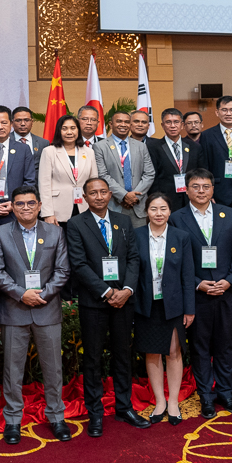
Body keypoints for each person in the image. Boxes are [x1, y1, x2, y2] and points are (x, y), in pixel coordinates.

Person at [67, 177, 148, 432]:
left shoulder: (123, 221)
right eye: (93, 193)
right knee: (93, 358)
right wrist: (106, 292)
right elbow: (79, 264)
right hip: (94, 302)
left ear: (110, 194)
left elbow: (134, 258)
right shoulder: (76, 224)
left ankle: (124, 407)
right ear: (85, 197)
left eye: (103, 192)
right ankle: (95, 412)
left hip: (123, 300)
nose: (99, 196)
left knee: (123, 355)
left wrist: (126, 290)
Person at [0, 185, 70, 443]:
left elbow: (62, 270)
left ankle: (56, 416)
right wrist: (21, 294)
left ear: (39, 205)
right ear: (12, 207)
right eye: (20, 203)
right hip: (15, 309)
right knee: (12, 370)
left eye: (30, 203)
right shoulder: (0, 233)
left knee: (53, 369)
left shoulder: (55, 232)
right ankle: (13, 420)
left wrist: (43, 294)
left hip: (47, 309)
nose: (25, 208)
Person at [177, 170, 232, 415]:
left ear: (213, 189)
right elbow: (177, 260)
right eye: (195, 186)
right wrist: (198, 283)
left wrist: (229, 281)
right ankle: (206, 396)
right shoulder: (176, 218)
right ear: (187, 189)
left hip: (227, 292)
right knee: (200, 347)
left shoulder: (229, 214)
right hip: (197, 294)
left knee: (225, 344)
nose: (201, 191)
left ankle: (226, 392)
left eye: (206, 186)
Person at [132, 191, 198, 422]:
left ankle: (173, 402)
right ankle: (160, 401)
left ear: (170, 212)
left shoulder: (181, 237)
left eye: (163, 209)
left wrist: (189, 309)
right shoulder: (137, 235)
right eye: (153, 209)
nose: (158, 213)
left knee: (173, 351)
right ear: (146, 212)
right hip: (146, 304)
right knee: (152, 352)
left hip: (173, 304)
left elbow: (188, 275)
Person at [0, 106, 41, 226]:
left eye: (4, 123)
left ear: (11, 124)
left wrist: (15, 203)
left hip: (16, 212)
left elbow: (29, 180)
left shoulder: (23, 149)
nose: (0, 127)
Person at [92, 109, 156, 219]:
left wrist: (135, 197)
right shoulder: (100, 146)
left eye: (126, 122)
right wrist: (124, 195)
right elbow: (103, 175)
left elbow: (149, 174)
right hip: (114, 205)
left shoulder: (141, 146)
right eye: (119, 121)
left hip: (138, 205)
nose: (123, 125)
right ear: (111, 124)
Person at [39, 115, 97, 223]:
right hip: (58, 210)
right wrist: (47, 213)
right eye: (64, 129)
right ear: (59, 131)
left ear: (78, 130)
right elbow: (44, 185)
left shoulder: (89, 152)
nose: (69, 132)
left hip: (85, 207)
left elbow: (94, 182)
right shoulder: (49, 152)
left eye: (73, 128)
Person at [147, 109, 191, 209]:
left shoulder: (194, 147)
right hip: (165, 200)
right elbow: (152, 177)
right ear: (162, 125)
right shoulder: (153, 147)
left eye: (176, 122)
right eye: (168, 122)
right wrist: (156, 199)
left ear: (182, 125)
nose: (172, 126)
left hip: (190, 199)